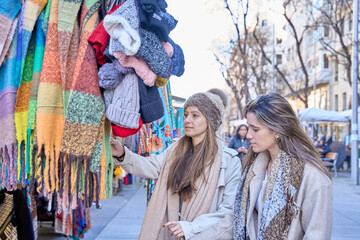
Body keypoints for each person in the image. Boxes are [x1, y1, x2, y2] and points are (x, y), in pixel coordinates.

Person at [193, 93, 333, 240]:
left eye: (255, 129)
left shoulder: (313, 176)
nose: (248, 135)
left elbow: (317, 234)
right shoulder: (253, 168)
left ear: (277, 129)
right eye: (248, 128)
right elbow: (234, 220)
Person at [110, 89, 241, 239]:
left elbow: (228, 211)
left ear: (210, 120)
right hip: (169, 231)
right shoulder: (175, 150)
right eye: (186, 115)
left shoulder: (229, 161)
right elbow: (152, 166)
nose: (187, 120)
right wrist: (123, 154)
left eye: (195, 115)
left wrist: (190, 228)